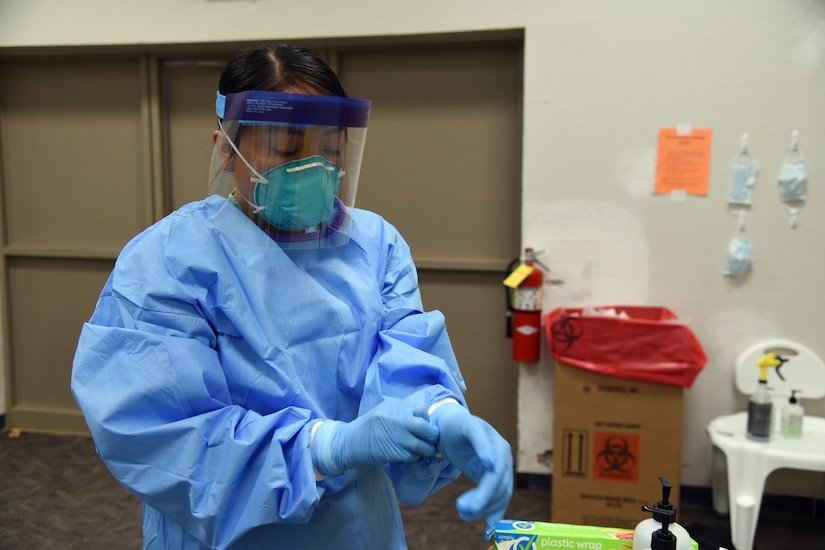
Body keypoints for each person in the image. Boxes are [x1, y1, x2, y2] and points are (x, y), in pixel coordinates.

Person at [71, 43, 513, 550]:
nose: (313, 168)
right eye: (284, 149)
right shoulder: (168, 263)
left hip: (358, 531)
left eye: (330, 148)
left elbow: (405, 358)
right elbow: (159, 434)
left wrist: (439, 415)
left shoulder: (373, 243)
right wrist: (326, 448)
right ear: (224, 147)